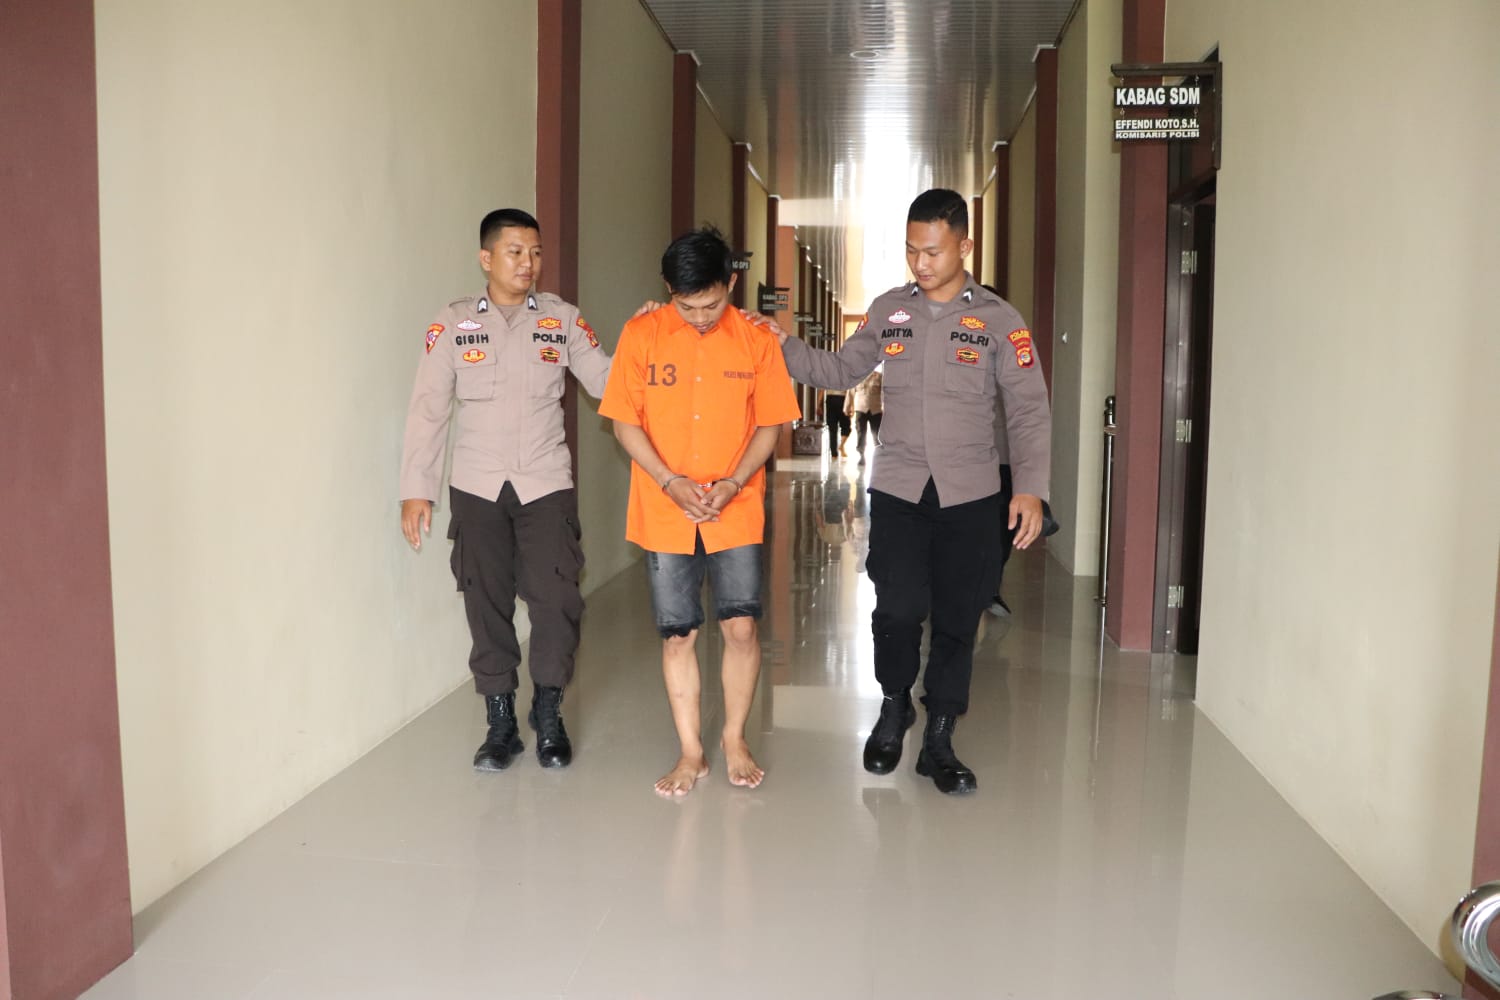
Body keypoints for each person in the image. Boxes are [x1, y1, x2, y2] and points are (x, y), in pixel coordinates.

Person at [768, 189, 1051, 795]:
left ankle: (940, 738)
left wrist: (1030, 488)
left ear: (964, 246)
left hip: (972, 494)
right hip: (899, 489)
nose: (919, 263)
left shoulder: (1000, 320)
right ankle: (895, 706)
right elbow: (840, 371)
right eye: (910, 250)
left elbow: (1028, 409)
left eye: (932, 252)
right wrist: (780, 343)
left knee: (957, 617)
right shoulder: (888, 311)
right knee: (896, 609)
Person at [399, 208, 611, 773]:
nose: (528, 263)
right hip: (477, 485)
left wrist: (651, 341)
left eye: (535, 252)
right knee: (485, 599)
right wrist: (417, 488)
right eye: (515, 252)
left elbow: (607, 382)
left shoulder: (562, 320)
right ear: (486, 258)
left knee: (557, 599)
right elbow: (428, 409)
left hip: (545, 482)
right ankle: (500, 724)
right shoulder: (454, 323)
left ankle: (548, 711)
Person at [599, 227, 802, 797]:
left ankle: (734, 738)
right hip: (666, 508)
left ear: (730, 283)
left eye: (711, 304)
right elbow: (624, 421)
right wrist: (669, 481)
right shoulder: (642, 334)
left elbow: (770, 424)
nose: (701, 318)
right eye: (687, 307)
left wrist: (735, 481)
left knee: (741, 626)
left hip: (734, 505)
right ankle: (691, 751)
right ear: (669, 291)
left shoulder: (756, 340)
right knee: (678, 634)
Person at [847, 367, 883, 464]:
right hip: (861, 408)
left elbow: (884, 393)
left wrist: (884, 407)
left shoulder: (879, 376)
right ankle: (861, 455)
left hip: (875, 409)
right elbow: (850, 392)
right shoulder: (857, 376)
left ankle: (878, 455)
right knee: (861, 433)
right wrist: (847, 407)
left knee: (876, 433)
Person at [824, 388, 851, 458]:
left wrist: (818, 403)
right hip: (840, 398)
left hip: (834, 398)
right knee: (841, 426)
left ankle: (836, 451)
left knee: (835, 427)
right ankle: (837, 450)